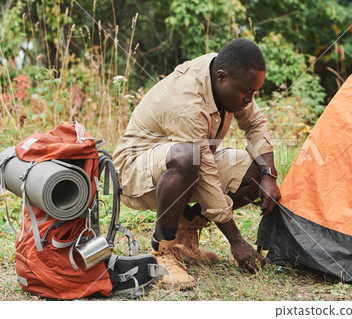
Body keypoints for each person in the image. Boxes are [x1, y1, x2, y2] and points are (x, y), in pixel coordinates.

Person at [113, 38, 281, 289]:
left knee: (254, 172)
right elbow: (205, 171)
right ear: (222, 78)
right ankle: (163, 251)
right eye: (247, 93)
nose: (249, 100)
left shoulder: (227, 76)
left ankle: (184, 233)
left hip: (189, 163)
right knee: (188, 156)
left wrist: (269, 174)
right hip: (135, 171)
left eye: (254, 93)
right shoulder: (188, 100)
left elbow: (255, 124)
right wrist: (236, 241)